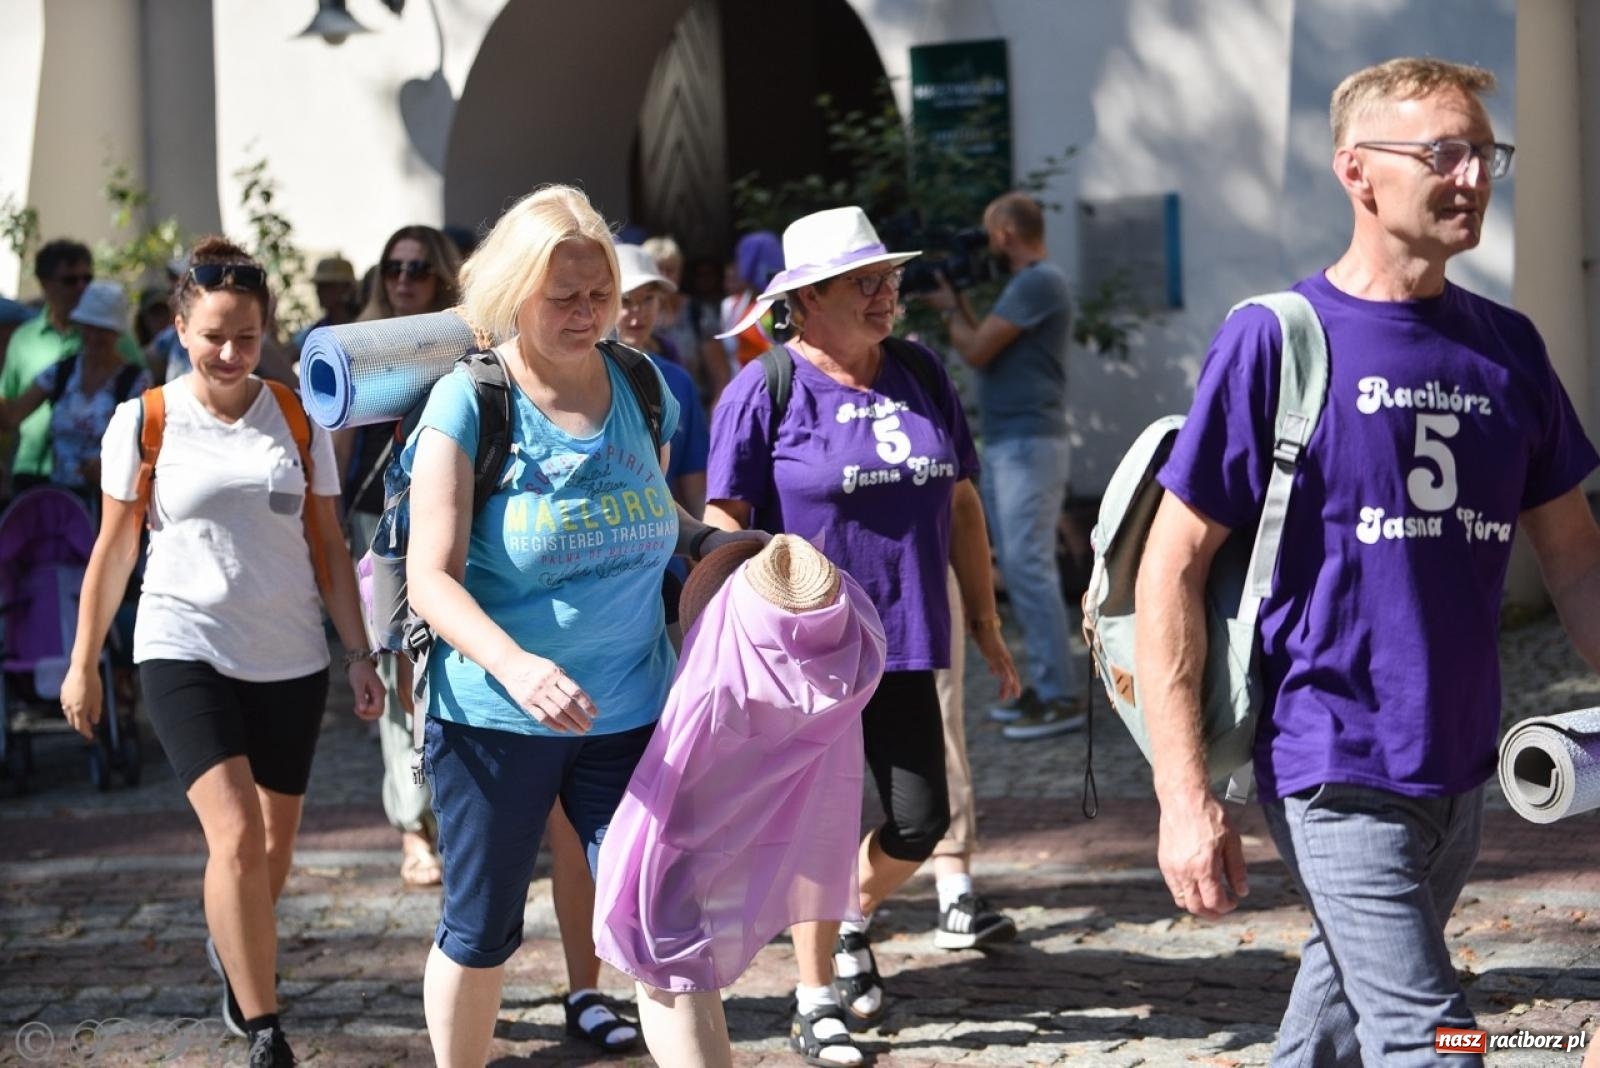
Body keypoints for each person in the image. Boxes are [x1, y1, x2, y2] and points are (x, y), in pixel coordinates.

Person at [1136, 58, 1600, 1067]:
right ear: (1358, 172)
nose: (1472, 175)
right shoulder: (1275, 340)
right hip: (1331, 758)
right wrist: (1183, 795)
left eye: (1484, 153)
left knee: (1337, 1018)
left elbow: (1572, 557)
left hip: (1459, 766)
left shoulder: (1509, 349)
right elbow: (1169, 564)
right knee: (1438, 1041)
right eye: (1443, 153)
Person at [403, 183, 753, 1068]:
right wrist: (517, 666)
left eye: (599, 294)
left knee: (663, 924)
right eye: (565, 296)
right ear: (515, 293)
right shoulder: (468, 404)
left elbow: (645, 516)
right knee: (482, 931)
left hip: (630, 707)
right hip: (495, 717)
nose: (588, 312)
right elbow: (429, 581)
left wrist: (716, 541)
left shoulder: (642, 384)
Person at [59, 236, 385, 1068]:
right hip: (181, 643)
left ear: (266, 326)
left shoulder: (299, 413)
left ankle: (233, 948)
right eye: (213, 336)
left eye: (245, 335)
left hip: (287, 655)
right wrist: (82, 661)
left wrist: (358, 653)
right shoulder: (147, 419)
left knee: (271, 853)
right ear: (179, 326)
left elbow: (327, 547)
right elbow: (113, 551)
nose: (231, 353)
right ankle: (265, 1024)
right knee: (235, 836)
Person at [705, 205, 1020, 1066]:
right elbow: (721, 523)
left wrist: (987, 620)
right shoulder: (764, 389)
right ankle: (814, 1003)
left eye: (891, 280)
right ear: (806, 301)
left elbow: (959, 500)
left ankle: (848, 916)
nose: (889, 296)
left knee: (919, 822)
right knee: (816, 819)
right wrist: (729, 638)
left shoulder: (919, 371)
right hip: (806, 653)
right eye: (866, 284)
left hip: (907, 636)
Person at [927, 191, 1083, 741]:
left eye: (989, 232)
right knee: (1020, 566)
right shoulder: (1028, 285)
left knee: (1028, 566)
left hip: (1027, 442)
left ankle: (1059, 694)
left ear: (1005, 233)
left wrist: (949, 309)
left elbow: (974, 350)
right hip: (1014, 441)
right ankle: (1043, 688)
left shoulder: (1038, 281)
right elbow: (985, 342)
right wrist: (959, 305)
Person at [336, 225, 462, 891]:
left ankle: (455, 812)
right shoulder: (356, 347)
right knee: (397, 666)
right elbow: (332, 453)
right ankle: (413, 825)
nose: (404, 278)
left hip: (454, 519)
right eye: (393, 267)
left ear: (442, 274)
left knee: (456, 660)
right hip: (377, 521)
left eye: (417, 267)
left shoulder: (464, 341)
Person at [1, 239, 144, 491]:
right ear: (45, 284)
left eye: (87, 279)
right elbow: (10, 412)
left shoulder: (131, 368)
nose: (81, 287)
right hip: (35, 476)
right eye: (70, 280)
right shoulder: (26, 342)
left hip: (108, 494)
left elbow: (147, 433)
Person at [642, 234, 729, 407]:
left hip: (693, 409)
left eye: (671, 270)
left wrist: (717, 411)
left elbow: (720, 375)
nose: (665, 276)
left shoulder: (698, 313)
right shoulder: (631, 315)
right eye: (659, 268)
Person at [290, 255, 360, 352]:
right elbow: (288, 353)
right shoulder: (318, 329)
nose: (318, 291)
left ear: (346, 288)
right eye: (318, 286)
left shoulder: (362, 326)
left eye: (326, 286)